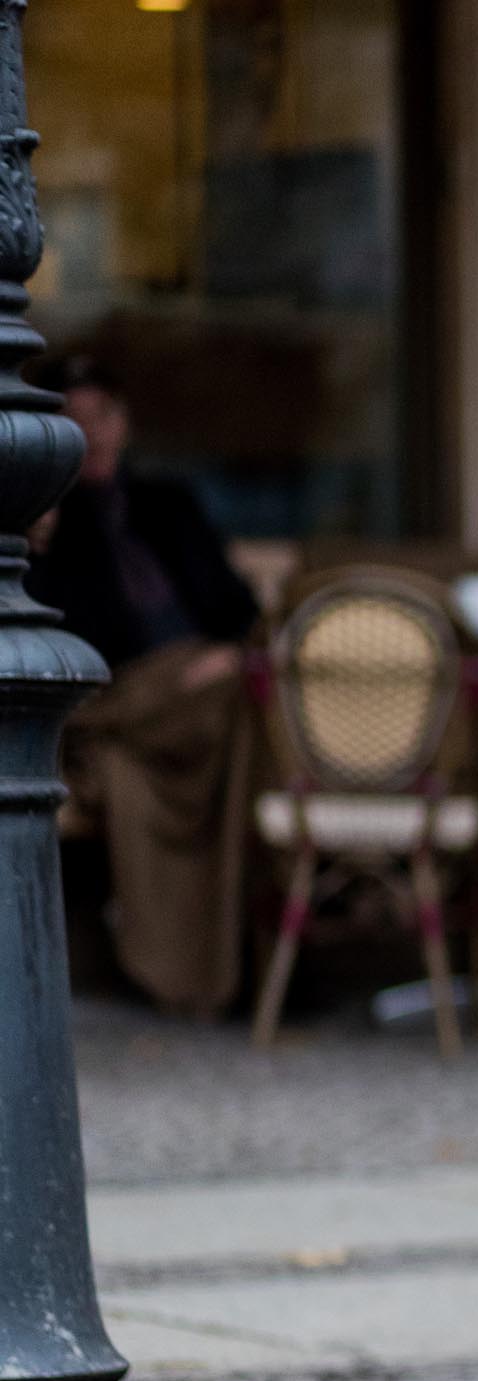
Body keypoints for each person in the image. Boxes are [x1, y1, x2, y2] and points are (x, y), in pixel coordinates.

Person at [30, 356, 262, 1015]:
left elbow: (236, 607)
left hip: (201, 690)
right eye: (75, 422)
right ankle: (207, 968)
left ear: (124, 424)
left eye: (102, 417)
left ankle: (239, 956)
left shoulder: (169, 504)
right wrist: (39, 537)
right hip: (117, 699)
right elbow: (49, 637)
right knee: (236, 715)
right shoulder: (44, 517)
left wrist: (223, 655)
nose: (93, 434)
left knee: (243, 705)